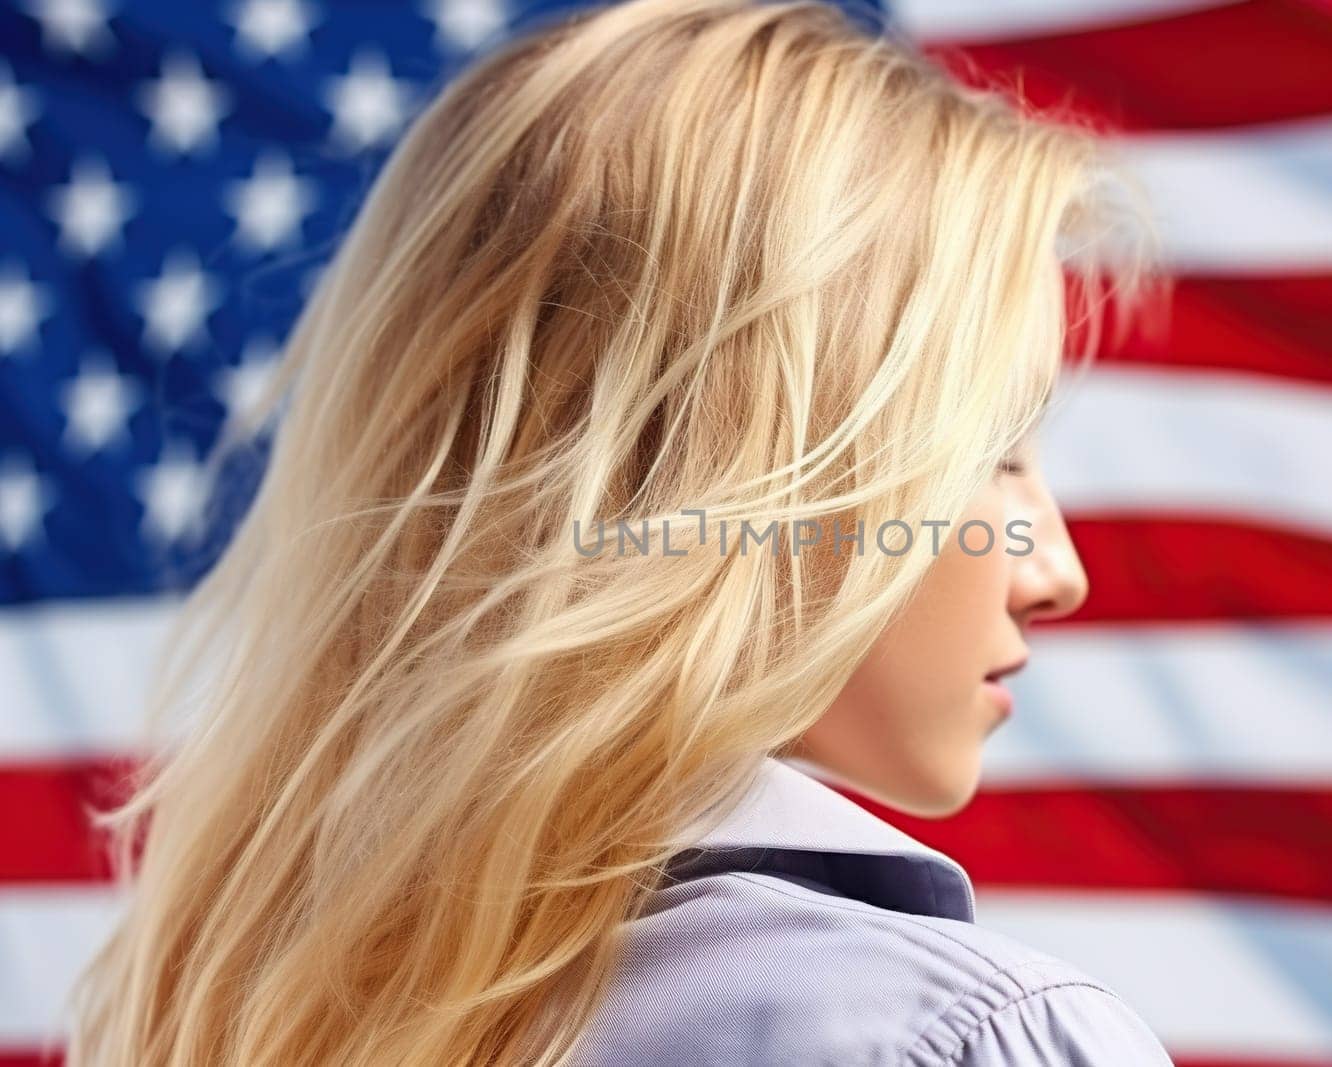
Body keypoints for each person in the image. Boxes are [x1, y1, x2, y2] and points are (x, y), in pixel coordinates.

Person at [64, 0, 1166, 1064]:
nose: (1054, 570)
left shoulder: (197, 1020)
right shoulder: (973, 1035)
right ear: (746, 477)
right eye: (993, 453)